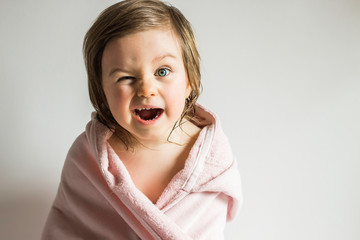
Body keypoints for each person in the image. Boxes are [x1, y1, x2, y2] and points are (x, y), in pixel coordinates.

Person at [42, 0, 242, 239]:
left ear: (189, 80)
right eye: (126, 77)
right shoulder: (87, 158)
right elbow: (67, 228)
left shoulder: (212, 162)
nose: (146, 89)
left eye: (162, 71)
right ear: (102, 92)